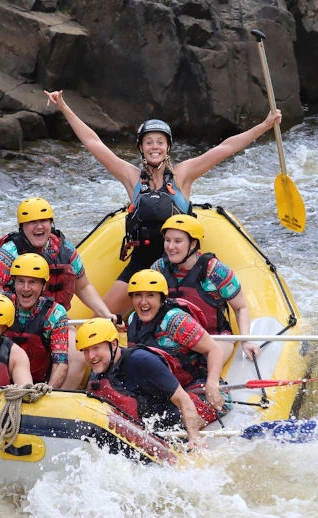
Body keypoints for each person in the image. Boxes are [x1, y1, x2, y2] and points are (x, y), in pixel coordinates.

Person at [44, 89, 282, 316]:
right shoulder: (131, 178)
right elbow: (94, 143)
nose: (154, 147)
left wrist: (265, 125)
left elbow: (226, 148)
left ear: (167, 147)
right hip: (141, 263)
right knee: (103, 317)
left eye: (160, 142)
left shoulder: (183, 174)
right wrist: (63, 106)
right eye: (149, 142)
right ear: (141, 147)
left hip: (178, 265)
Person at [0, 196, 118, 388]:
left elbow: (84, 286)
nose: (39, 227)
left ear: (51, 223)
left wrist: (106, 314)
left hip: (53, 322)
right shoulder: (9, 253)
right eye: (32, 222)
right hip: (12, 322)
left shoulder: (66, 251)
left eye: (44, 221)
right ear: (22, 226)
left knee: (76, 354)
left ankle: (56, 400)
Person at [76, 317, 208, 449]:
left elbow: (183, 399)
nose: (90, 356)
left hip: (170, 433)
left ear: (114, 344)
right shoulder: (98, 371)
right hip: (135, 437)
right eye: (85, 350)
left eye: (96, 348)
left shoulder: (141, 360)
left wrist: (194, 437)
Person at [152, 214, 259, 362]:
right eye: (167, 240)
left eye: (177, 241)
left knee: (208, 363)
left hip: (214, 338)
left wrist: (246, 341)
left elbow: (240, 308)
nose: (170, 247)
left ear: (193, 244)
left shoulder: (216, 272)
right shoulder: (158, 268)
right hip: (174, 338)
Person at [125, 269, 226, 412]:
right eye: (137, 295)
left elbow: (214, 350)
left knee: (173, 418)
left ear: (161, 298)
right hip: (167, 389)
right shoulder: (133, 320)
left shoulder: (175, 319)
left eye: (150, 295)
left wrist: (212, 384)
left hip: (195, 384)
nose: (143, 302)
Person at [4, 253, 70, 388]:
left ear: (43, 286)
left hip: (37, 386)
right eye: (20, 281)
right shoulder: (1, 305)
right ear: (14, 283)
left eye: (32, 282)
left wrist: (47, 390)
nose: (25, 288)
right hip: (2, 385)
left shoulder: (55, 313)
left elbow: (60, 363)